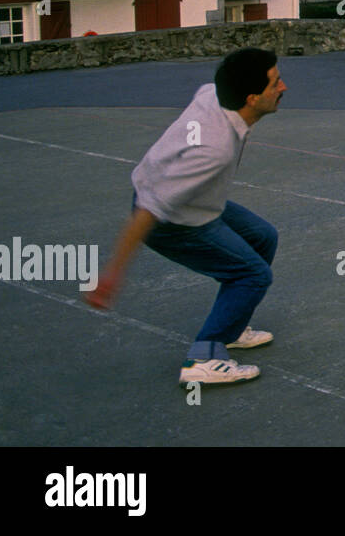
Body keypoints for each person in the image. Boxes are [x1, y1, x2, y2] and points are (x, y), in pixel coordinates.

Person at [85, 47, 287, 384]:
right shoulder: (213, 150)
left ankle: (230, 326)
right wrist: (112, 274)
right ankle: (203, 360)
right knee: (253, 275)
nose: (284, 88)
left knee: (262, 236)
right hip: (170, 221)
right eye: (276, 83)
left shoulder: (214, 94)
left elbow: (220, 79)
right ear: (251, 98)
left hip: (196, 201)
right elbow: (149, 209)